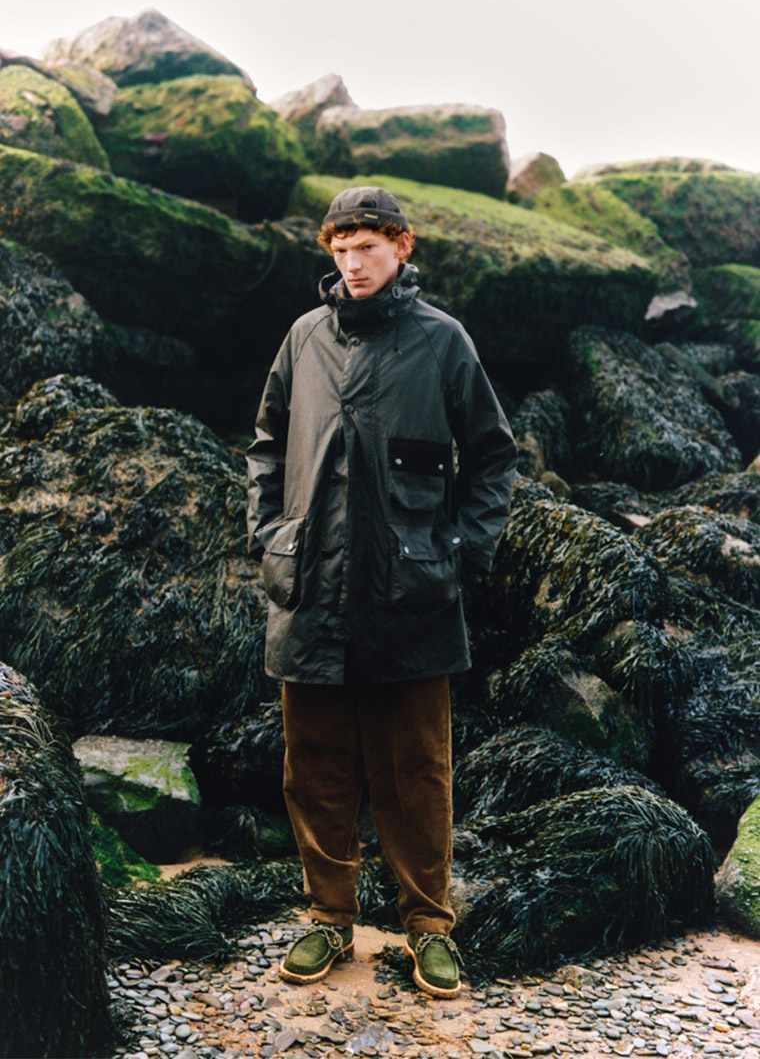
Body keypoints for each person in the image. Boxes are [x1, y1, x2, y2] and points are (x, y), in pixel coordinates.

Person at [246, 185, 518, 998]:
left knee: (417, 772)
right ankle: (329, 917)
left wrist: (457, 551)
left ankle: (429, 927)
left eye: (367, 247)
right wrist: (269, 536)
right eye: (340, 249)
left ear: (403, 246)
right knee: (314, 767)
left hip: (413, 592)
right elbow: (266, 445)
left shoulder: (443, 341)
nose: (353, 264)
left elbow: (493, 457)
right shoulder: (304, 337)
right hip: (311, 586)